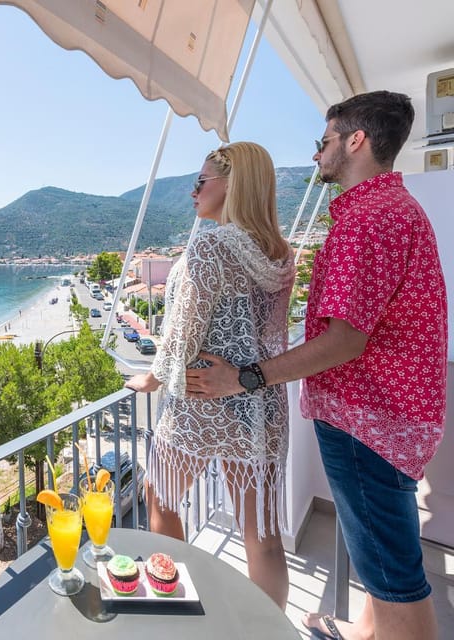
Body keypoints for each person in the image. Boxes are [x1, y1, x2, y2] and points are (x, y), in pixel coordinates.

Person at [185, 91, 446, 640]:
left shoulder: (367, 221)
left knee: (394, 574)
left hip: (368, 418)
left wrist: (245, 375)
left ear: (356, 141)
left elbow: (344, 340)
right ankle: (365, 633)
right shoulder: (392, 210)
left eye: (323, 142)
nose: (316, 155)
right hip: (393, 416)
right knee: (381, 552)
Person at [126, 141, 295, 608]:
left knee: (158, 497)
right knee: (261, 534)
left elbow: (183, 331)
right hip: (260, 406)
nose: (192, 192)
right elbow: (268, 334)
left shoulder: (210, 247)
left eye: (200, 182)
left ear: (232, 186)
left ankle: (174, 606)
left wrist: (153, 378)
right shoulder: (281, 255)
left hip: (200, 400)